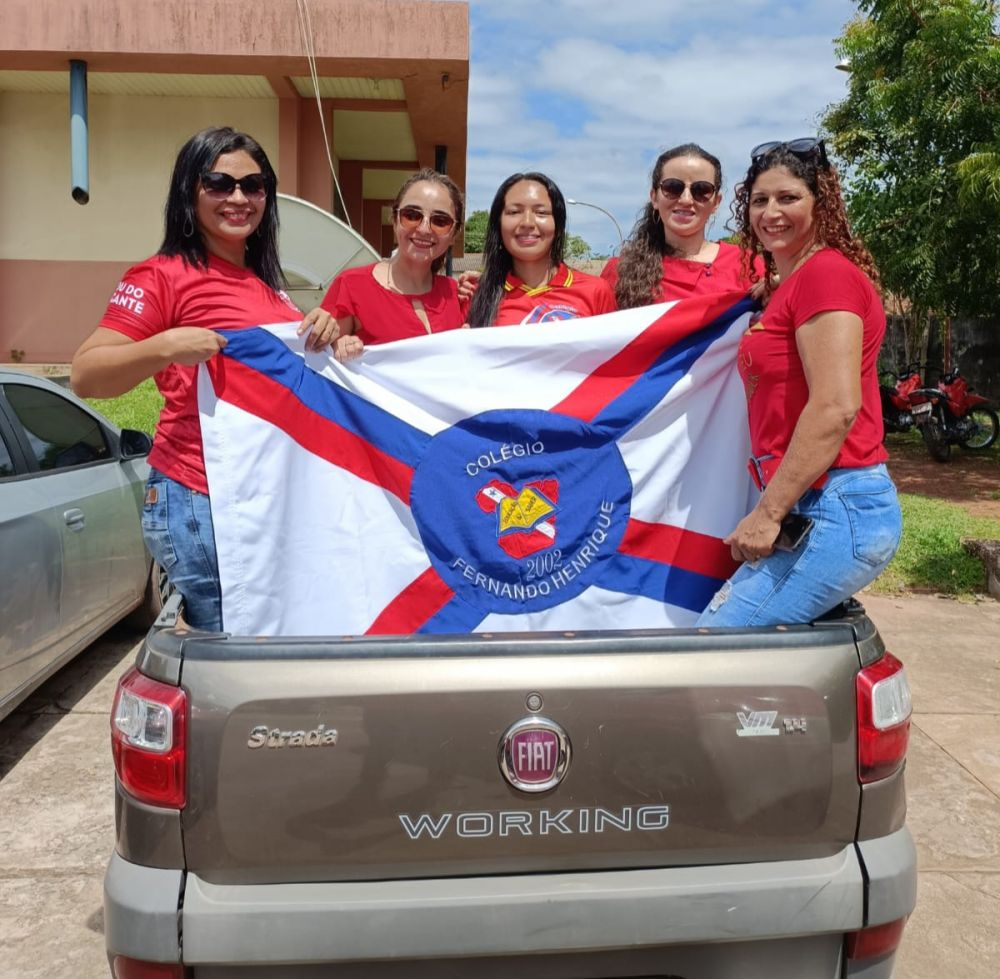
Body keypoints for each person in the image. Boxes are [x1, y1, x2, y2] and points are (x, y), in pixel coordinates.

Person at [70, 126, 337, 631]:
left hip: (260, 493)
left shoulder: (266, 285)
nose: (238, 198)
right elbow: (86, 374)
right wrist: (167, 345)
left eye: (253, 186)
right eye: (219, 183)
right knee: (231, 651)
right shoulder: (162, 274)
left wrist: (328, 336)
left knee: (258, 644)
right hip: (200, 495)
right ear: (190, 191)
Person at [696, 137, 902, 627]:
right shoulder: (795, 284)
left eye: (789, 198)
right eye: (760, 200)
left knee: (716, 644)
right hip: (818, 498)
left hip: (836, 501)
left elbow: (835, 407)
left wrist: (767, 515)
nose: (771, 212)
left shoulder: (825, 277)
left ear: (821, 203)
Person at [320, 168, 465, 362]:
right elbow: (322, 361)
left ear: (454, 234)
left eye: (440, 221)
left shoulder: (459, 295)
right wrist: (338, 347)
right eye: (412, 215)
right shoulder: (352, 287)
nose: (423, 228)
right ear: (395, 220)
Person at [603, 144, 760, 307]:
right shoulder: (620, 271)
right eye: (673, 187)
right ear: (655, 197)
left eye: (701, 190)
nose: (686, 199)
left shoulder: (748, 265)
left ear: (716, 203)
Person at [466, 172, 615, 327]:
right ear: (498, 224)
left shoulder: (596, 291)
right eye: (514, 212)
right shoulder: (475, 294)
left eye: (541, 212)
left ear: (558, 225)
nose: (527, 223)